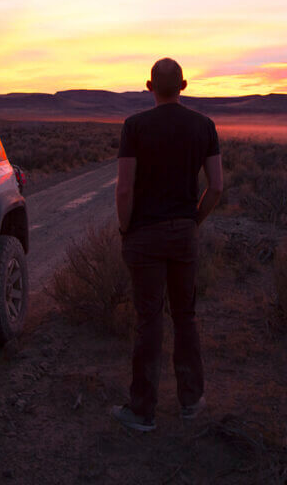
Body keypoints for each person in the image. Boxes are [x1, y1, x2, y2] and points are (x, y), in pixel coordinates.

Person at [111, 58, 223, 432]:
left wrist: (126, 227)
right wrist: (194, 220)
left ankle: (142, 411)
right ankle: (190, 401)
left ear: (149, 86)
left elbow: (124, 187)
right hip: (183, 234)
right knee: (185, 316)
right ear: (185, 85)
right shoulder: (204, 126)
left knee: (148, 321)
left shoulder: (135, 127)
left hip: (144, 235)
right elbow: (217, 186)